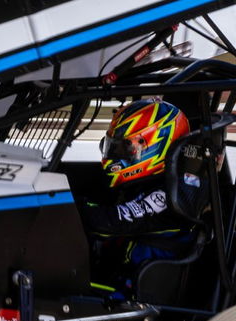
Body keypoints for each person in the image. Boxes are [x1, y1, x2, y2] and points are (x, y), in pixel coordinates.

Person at [80, 97, 197, 296]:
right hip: (122, 280)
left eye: (124, 148)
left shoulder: (170, 194)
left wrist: (68, 206)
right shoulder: (146, 184)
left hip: (136, 296)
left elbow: (108, 223)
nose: (114, 156)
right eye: (111, 147)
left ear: (156, 145)